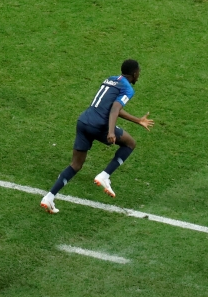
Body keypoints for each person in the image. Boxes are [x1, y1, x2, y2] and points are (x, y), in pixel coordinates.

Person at [41, 59, 154, 213]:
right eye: (138, 72)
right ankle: (104, 176)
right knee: (130, 143)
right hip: (98, 125)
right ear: (134, 73)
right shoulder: (128, 89)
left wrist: (137, 120)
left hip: (83, 121)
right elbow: (115, 108)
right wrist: (111, 131)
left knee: (76, 165)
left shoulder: (111, 79)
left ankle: (49, 197)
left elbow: (113, 107)